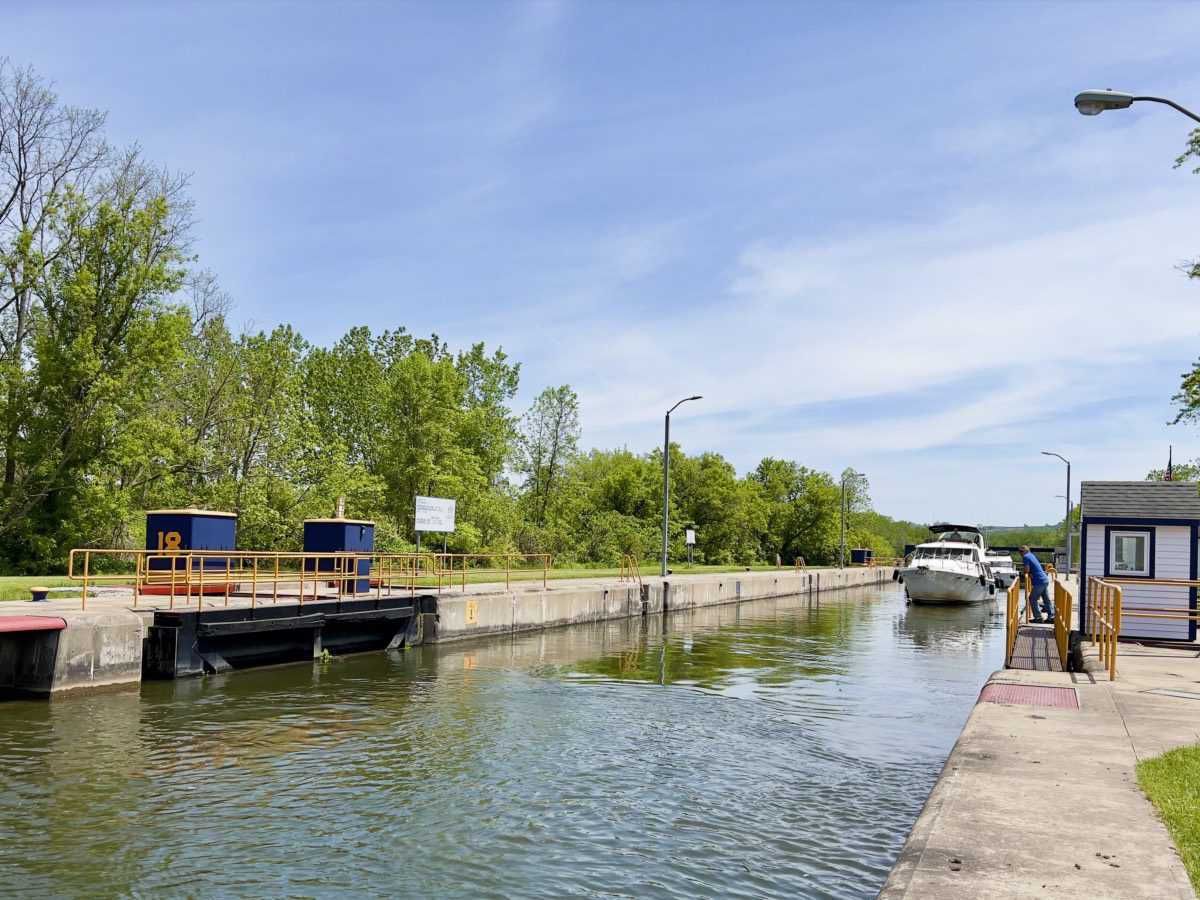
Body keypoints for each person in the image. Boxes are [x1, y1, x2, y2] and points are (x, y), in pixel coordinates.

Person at [1021, 544, 1054, 623]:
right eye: (1019, 551)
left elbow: (1027, 570)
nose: (1020, 553)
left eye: (1021, 551)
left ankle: (1038, 617)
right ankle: (1052, 617)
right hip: (1044, 580)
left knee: (1032, 599)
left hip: (1039, 581)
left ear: (1026, 551)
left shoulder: (1025, 557)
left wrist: (1023, 574)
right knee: (1046, 599)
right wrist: (1029, 573)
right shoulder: (1032, 555)